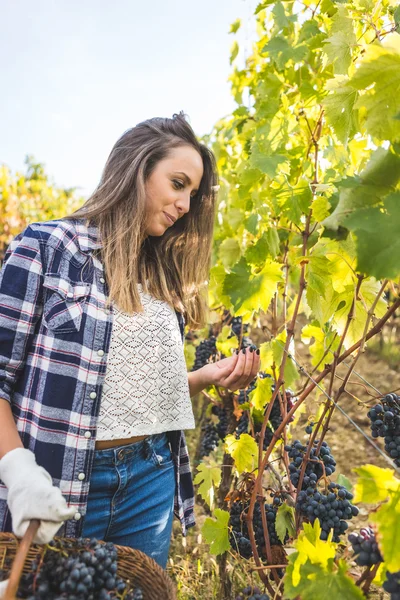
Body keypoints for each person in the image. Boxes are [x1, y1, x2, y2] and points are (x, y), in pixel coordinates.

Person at [0, 112, 261, 583]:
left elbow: (117, 389)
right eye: (177, 183)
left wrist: (203, 378)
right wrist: (18, 471)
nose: (184, 204)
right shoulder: (47, 248)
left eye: (193, 194)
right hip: (61, 481)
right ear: (137, 169)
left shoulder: (162, 279)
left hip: (151, 476)